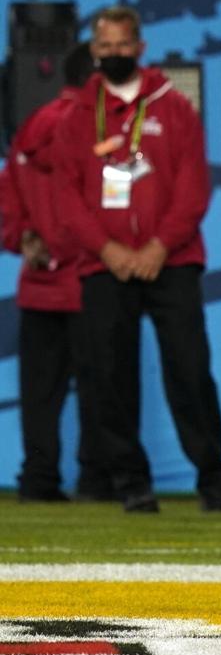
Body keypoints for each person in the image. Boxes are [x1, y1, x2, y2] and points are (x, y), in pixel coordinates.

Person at [55, 5, 221, 514]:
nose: (114, 54)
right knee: (111, 374)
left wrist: (160, 246)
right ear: (94, 51)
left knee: (190, 369)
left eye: (123, 45)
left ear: (141, 47)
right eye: (105, 46)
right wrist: (108, 248)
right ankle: (130, 481)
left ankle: (214, 479)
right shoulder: (75, 115)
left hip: (173, 261)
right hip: (105, 264)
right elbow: (66, 196)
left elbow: (193, 186)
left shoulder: (174, 106)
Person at [0, 43, 112, 503]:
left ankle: (39, 479)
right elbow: (107, 202)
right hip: (91, 279)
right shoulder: (100, 130)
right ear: (98, 79)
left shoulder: (32, 127)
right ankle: (96, 479)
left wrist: (24, 237)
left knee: (41, 394)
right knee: (101, 388)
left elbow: (9, 198)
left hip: (41, 281)